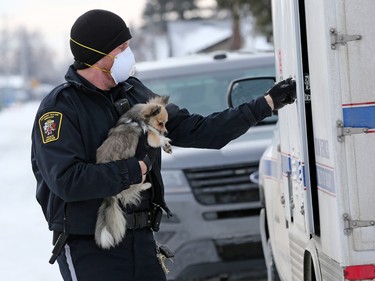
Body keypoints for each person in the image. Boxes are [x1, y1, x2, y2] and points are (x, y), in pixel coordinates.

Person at [31, 9, 296, 281]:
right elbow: (67, 180)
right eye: (122, 47)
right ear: (100, 53)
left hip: (142, 242)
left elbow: (200, 130)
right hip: (91, 247)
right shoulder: (60, 110)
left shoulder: (134, 93)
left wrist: (265, 105)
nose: (128, 54)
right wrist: (132, 172)